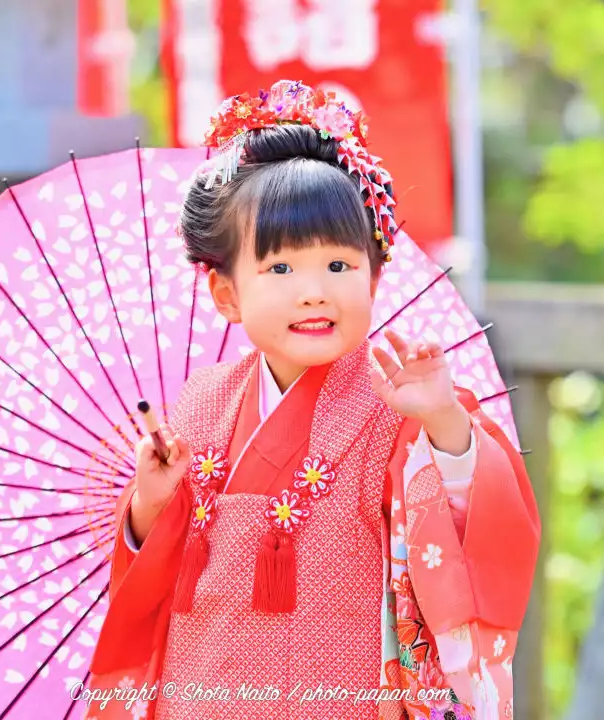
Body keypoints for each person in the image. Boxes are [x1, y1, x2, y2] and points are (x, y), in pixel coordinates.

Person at [82, 80, 540, 720]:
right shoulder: (202, 403)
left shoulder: (404, 405)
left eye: (339, 267)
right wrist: (150, 505)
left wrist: (442, 420)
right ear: (226, 295)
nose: (313, 292)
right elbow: (154, 586)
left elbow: (477, 536)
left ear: (375, 278)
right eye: (279, 269)